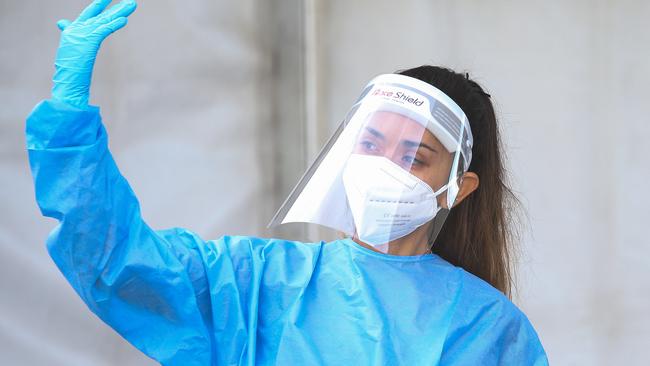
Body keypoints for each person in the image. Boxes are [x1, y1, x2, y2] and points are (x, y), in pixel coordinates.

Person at [26, 1, 548, 365]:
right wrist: (69, 120)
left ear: (458, 188)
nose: (383, 166)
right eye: (370, 145)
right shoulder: (255, 283)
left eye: (414, 156)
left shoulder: (488, 330)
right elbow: (117, 260)